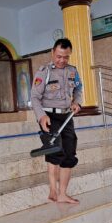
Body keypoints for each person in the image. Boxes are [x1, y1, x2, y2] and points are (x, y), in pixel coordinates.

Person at [31, 38, 83, 204]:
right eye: (59, 56)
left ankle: (62, 193)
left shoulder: (73, 71)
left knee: (69, 153)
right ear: (53, 52)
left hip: (66, 116)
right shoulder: (44, 72)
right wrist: (41, 117)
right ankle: (53, 191)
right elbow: (34, 97)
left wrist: (77, 102)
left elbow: (78, 89)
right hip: (49, 116)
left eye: (66, 57)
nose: (62, 60)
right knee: (55, 150)